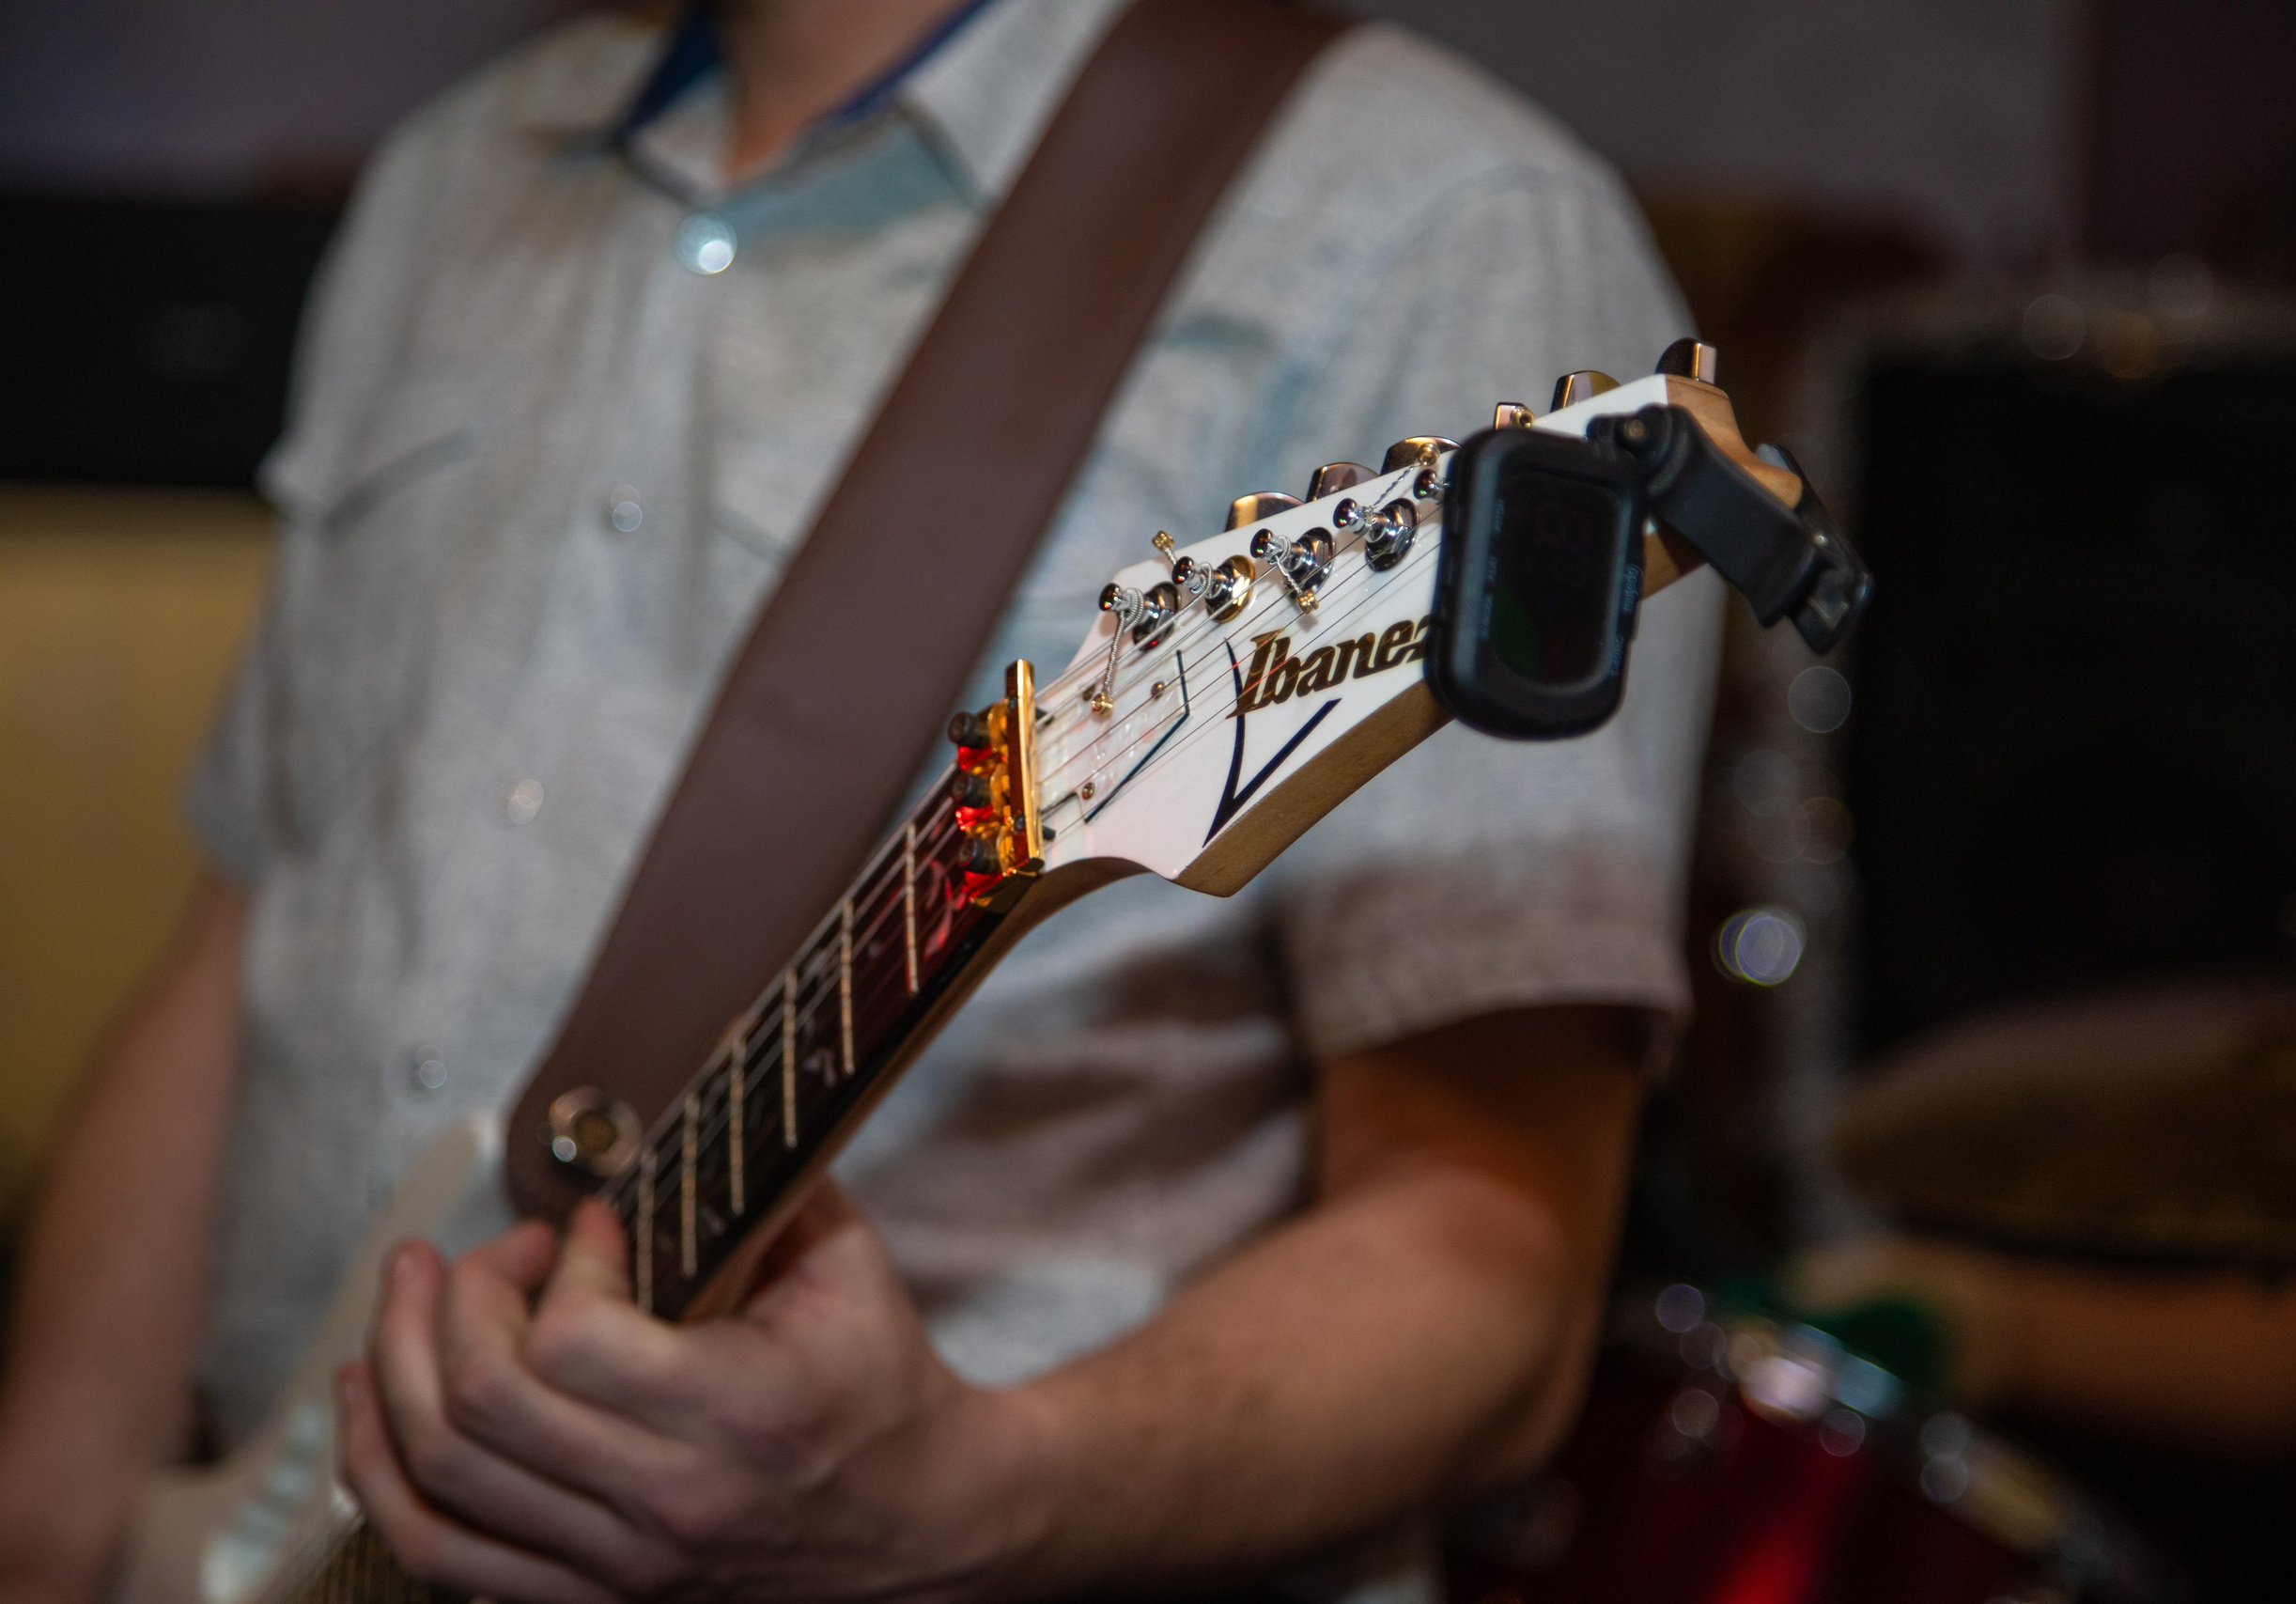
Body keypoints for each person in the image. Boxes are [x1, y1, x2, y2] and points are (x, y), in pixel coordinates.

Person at [0, 1, 1723, 1599]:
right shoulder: (459, 167)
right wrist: (59, 1516)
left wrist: (977, 1490)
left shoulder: (1438, 221)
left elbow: (1493, 1270)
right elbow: (254, 923)